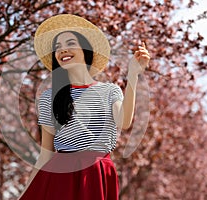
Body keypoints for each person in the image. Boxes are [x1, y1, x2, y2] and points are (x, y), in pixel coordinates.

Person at [18, 14, 150, 200]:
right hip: (59, 177)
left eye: (70, 44)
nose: (63, 50)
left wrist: (133, 75)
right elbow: (45, 154)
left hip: (97, 174)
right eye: (58, 48)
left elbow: (124, 121)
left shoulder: (109, 91)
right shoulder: (50, 97)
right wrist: (24, 194)